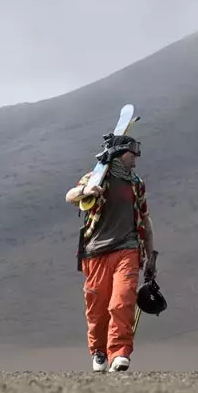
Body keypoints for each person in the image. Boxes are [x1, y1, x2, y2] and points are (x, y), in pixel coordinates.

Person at [65, 133, 156, 372]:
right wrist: (87, 190)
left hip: (128, 248)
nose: (135, 157)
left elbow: (145, 219)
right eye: (131, 152)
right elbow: (70, 196)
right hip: (95, 251)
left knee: (122, 301)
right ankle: (99, 350)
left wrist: (151, 254)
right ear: (118, 154)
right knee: (96, 307)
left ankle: (120, 352)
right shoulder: (95, 177)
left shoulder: (136, 183)